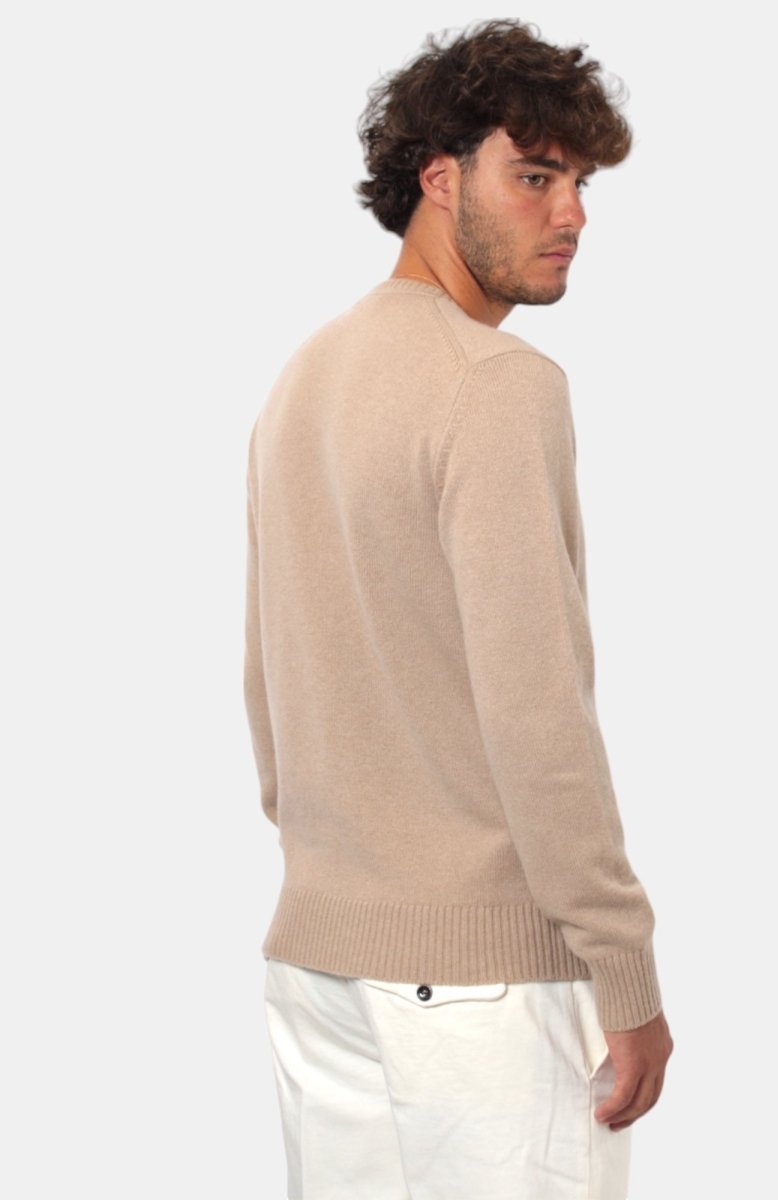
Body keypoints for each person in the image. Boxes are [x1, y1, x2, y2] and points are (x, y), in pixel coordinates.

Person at [244, 17, 673, 1200]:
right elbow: (539, 714)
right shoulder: (494, 386)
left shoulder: (301, 380)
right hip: (482, 993)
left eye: (580, 183)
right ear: (439, 179)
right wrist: (624, 972)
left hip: (319, 970)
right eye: (533, 176)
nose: (571, 213)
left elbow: (267, 692)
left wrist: (344, 867)